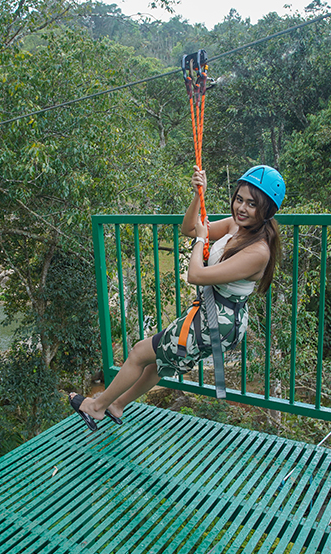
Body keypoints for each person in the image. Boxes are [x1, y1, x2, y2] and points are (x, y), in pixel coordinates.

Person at [70, 164, 285, 431]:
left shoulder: (258, 250)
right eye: (239, 199)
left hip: (216, 321)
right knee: (158, 362)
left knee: (139, 352)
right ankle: (116, 404)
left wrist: (201, 241)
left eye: (252, 204)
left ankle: (96, 407)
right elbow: (188, 228)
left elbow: (195, 274)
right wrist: (198, 194)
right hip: (210, 313)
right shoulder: (236, 226)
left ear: (267, 211)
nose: (241, 208)